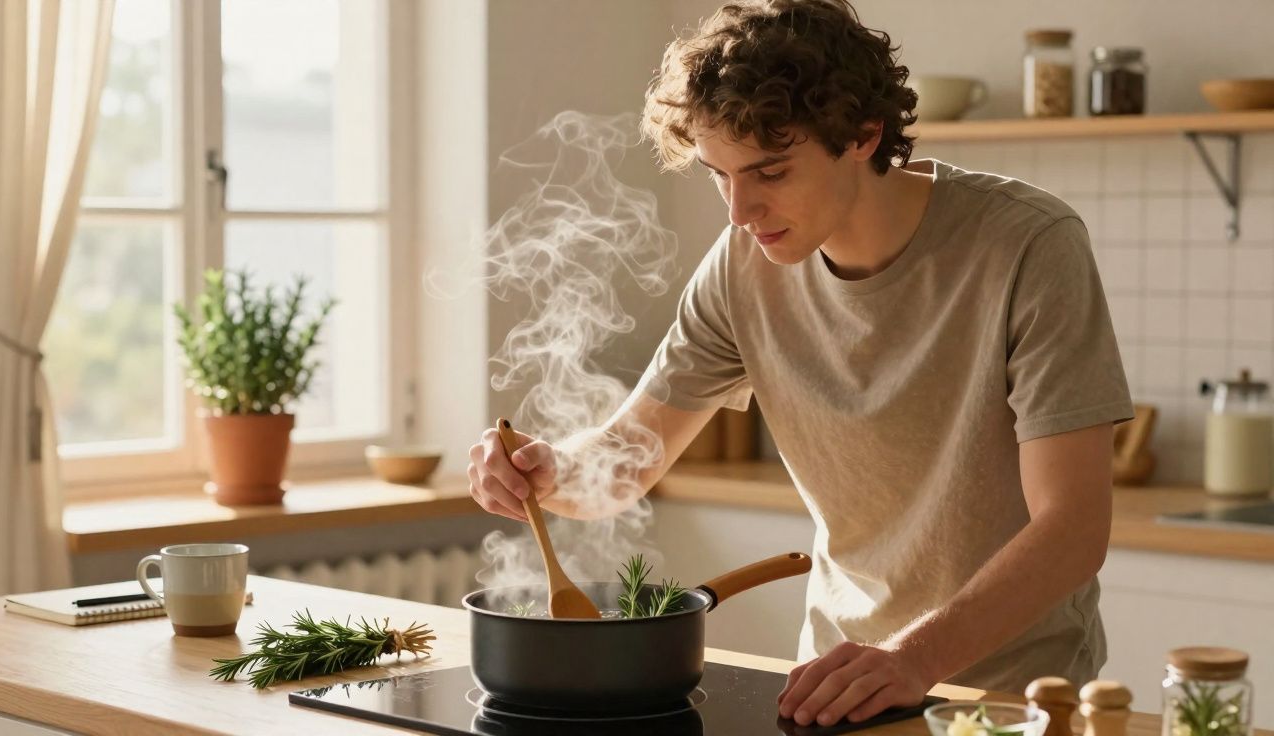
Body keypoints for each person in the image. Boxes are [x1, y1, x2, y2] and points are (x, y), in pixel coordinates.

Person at [466, 0, 1134, 728]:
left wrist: (913, 658)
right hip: (838, 684)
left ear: (862, 134)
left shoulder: (1028, 246)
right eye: (720, 176)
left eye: (770, 172)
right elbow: (626, 461)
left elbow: (1073, 529)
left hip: (1010, 697)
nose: (739, 210)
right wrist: (548, 470)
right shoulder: (741, 269)